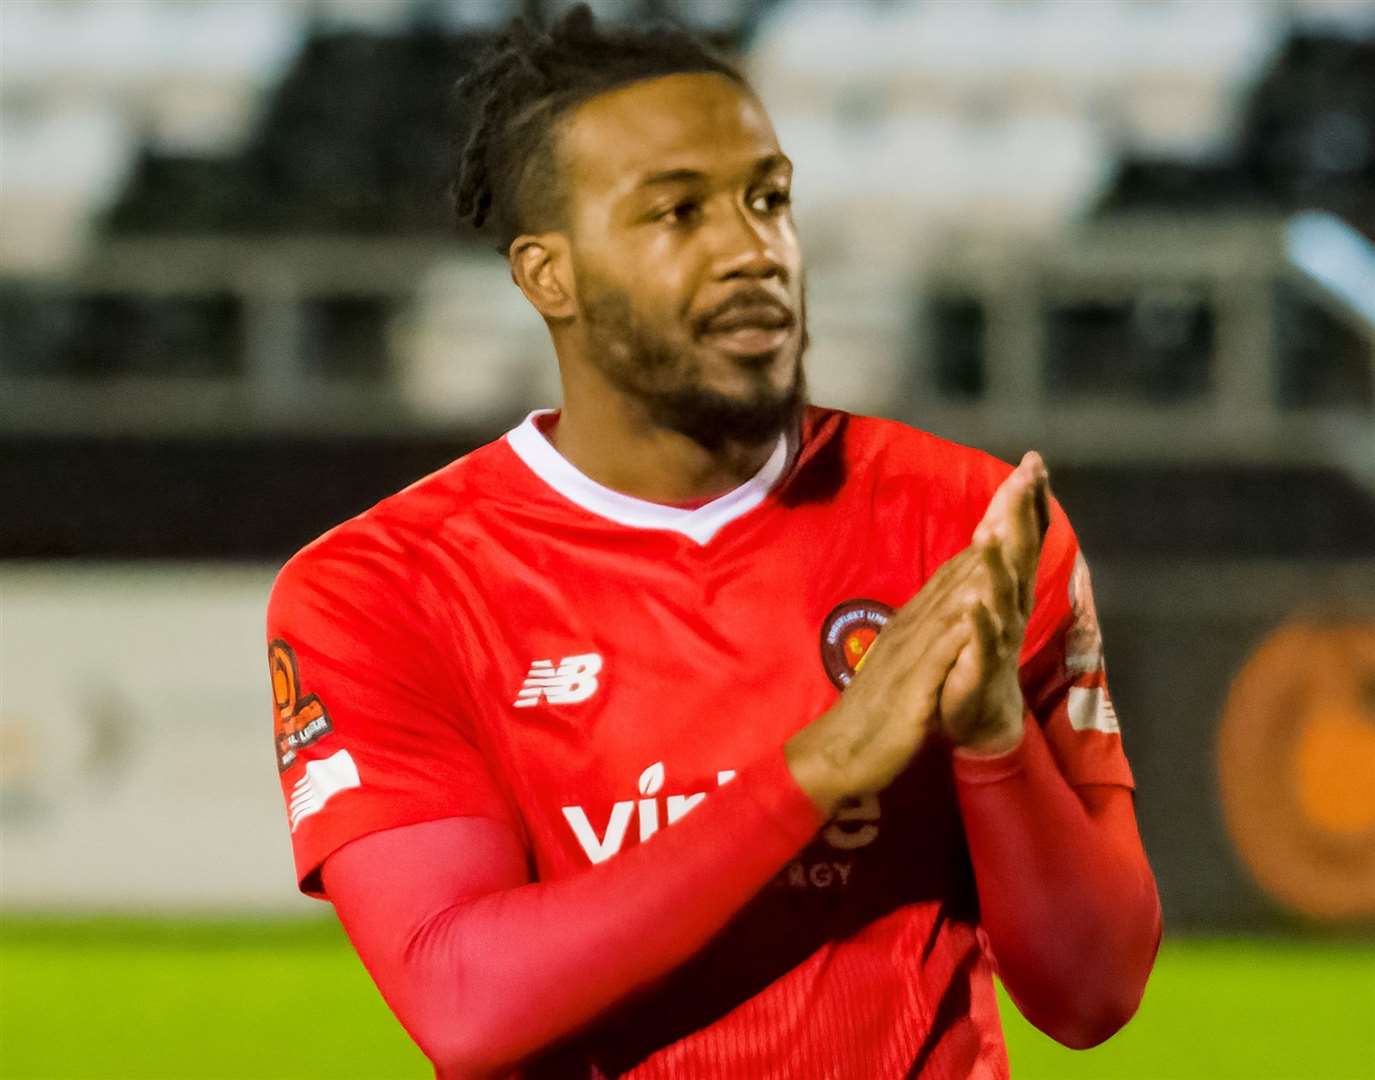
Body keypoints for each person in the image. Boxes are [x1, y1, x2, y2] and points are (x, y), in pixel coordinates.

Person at [265, 7, 1161, 1078]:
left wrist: (994, 738)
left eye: (767, 199)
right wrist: (819, 770)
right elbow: (464, 1002)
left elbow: (1092, 991)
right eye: (677, 212)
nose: (753, 250)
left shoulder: (967, 527)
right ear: (549, 275)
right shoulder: (383, 587)